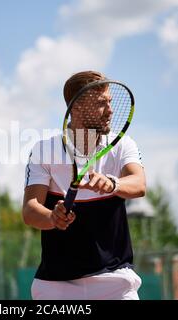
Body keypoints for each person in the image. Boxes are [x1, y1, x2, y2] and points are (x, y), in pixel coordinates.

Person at [22, 70, 146, 300]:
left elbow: (139, 184)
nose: (110, 111)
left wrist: (113, 183)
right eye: (101, 104)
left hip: (116, 282)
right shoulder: (43, 151)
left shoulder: (122, 145)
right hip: (56, 286)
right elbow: (30, 210)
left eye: (110, 102)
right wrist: (52, 218)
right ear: (76, 107)